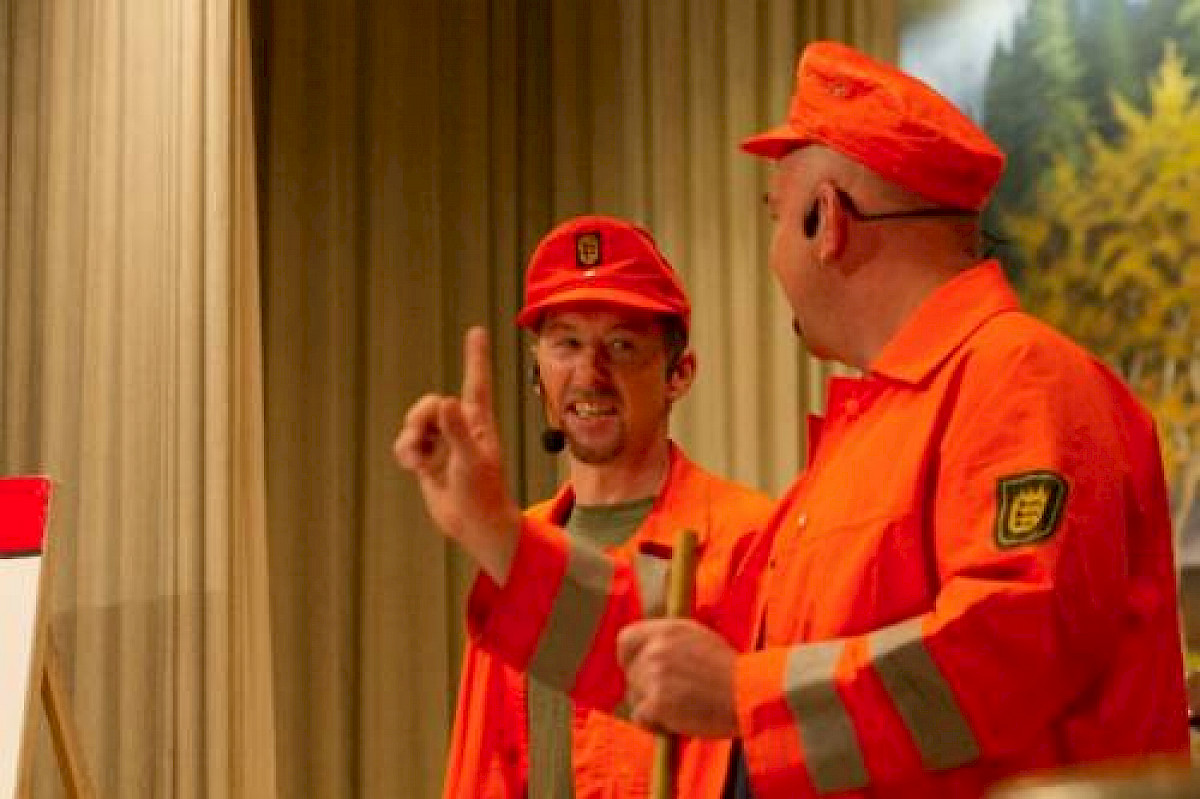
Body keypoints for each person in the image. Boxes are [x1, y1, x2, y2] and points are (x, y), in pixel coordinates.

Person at [396, 42, 1190, 799]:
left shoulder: (1018, 379)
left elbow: (1005, 652)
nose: (774, 253)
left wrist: (745, 696)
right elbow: (689, 631)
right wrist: (496, 532)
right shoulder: (879, 429)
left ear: (827, 219)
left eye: (775, 216)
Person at [423, 215, 774, 798]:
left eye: (621, 345)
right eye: (567, 343)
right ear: (537, 372)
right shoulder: (516, 549)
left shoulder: (749, 542)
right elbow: (482, 771)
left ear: (680, 374)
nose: (590, 374)